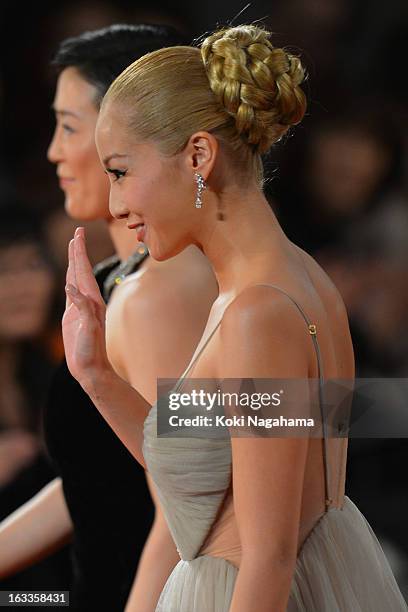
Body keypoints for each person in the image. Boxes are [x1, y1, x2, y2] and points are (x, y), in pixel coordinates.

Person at [63, 24, 408, 611]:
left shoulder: (257, 313)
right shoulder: (291, 277)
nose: (115, 206)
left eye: (120, 171)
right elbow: (203, 476)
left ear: (198, 154)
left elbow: (267, 558)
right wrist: (95, 374)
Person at [0, 25, 218, 611]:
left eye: (68, 126)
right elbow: (96, 478)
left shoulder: (157, 294)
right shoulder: (112, 280)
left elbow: (186, 501)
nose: (52, 151)